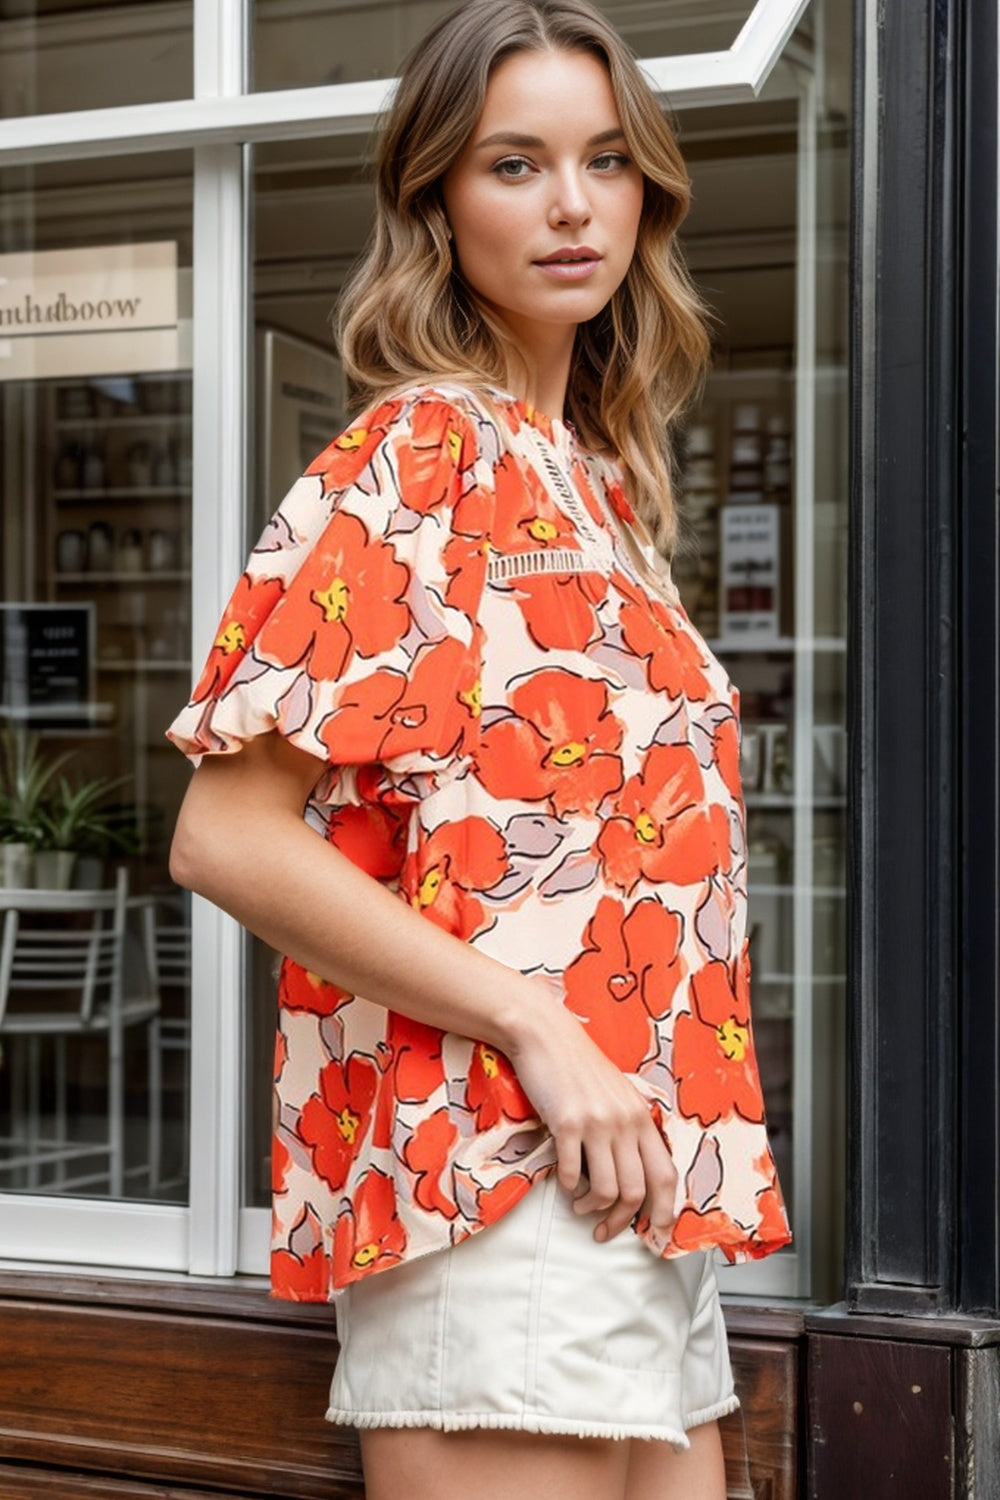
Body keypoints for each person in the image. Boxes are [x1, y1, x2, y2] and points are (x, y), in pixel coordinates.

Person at [168, 3, 791, 1497]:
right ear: (438, 202)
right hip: (491, 1186)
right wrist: (544, 1030)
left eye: (607, 161)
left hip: (645, 1196)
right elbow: (228, 836)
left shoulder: (587, 485)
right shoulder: (422, 453)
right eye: (516, 164)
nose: (574, 206)